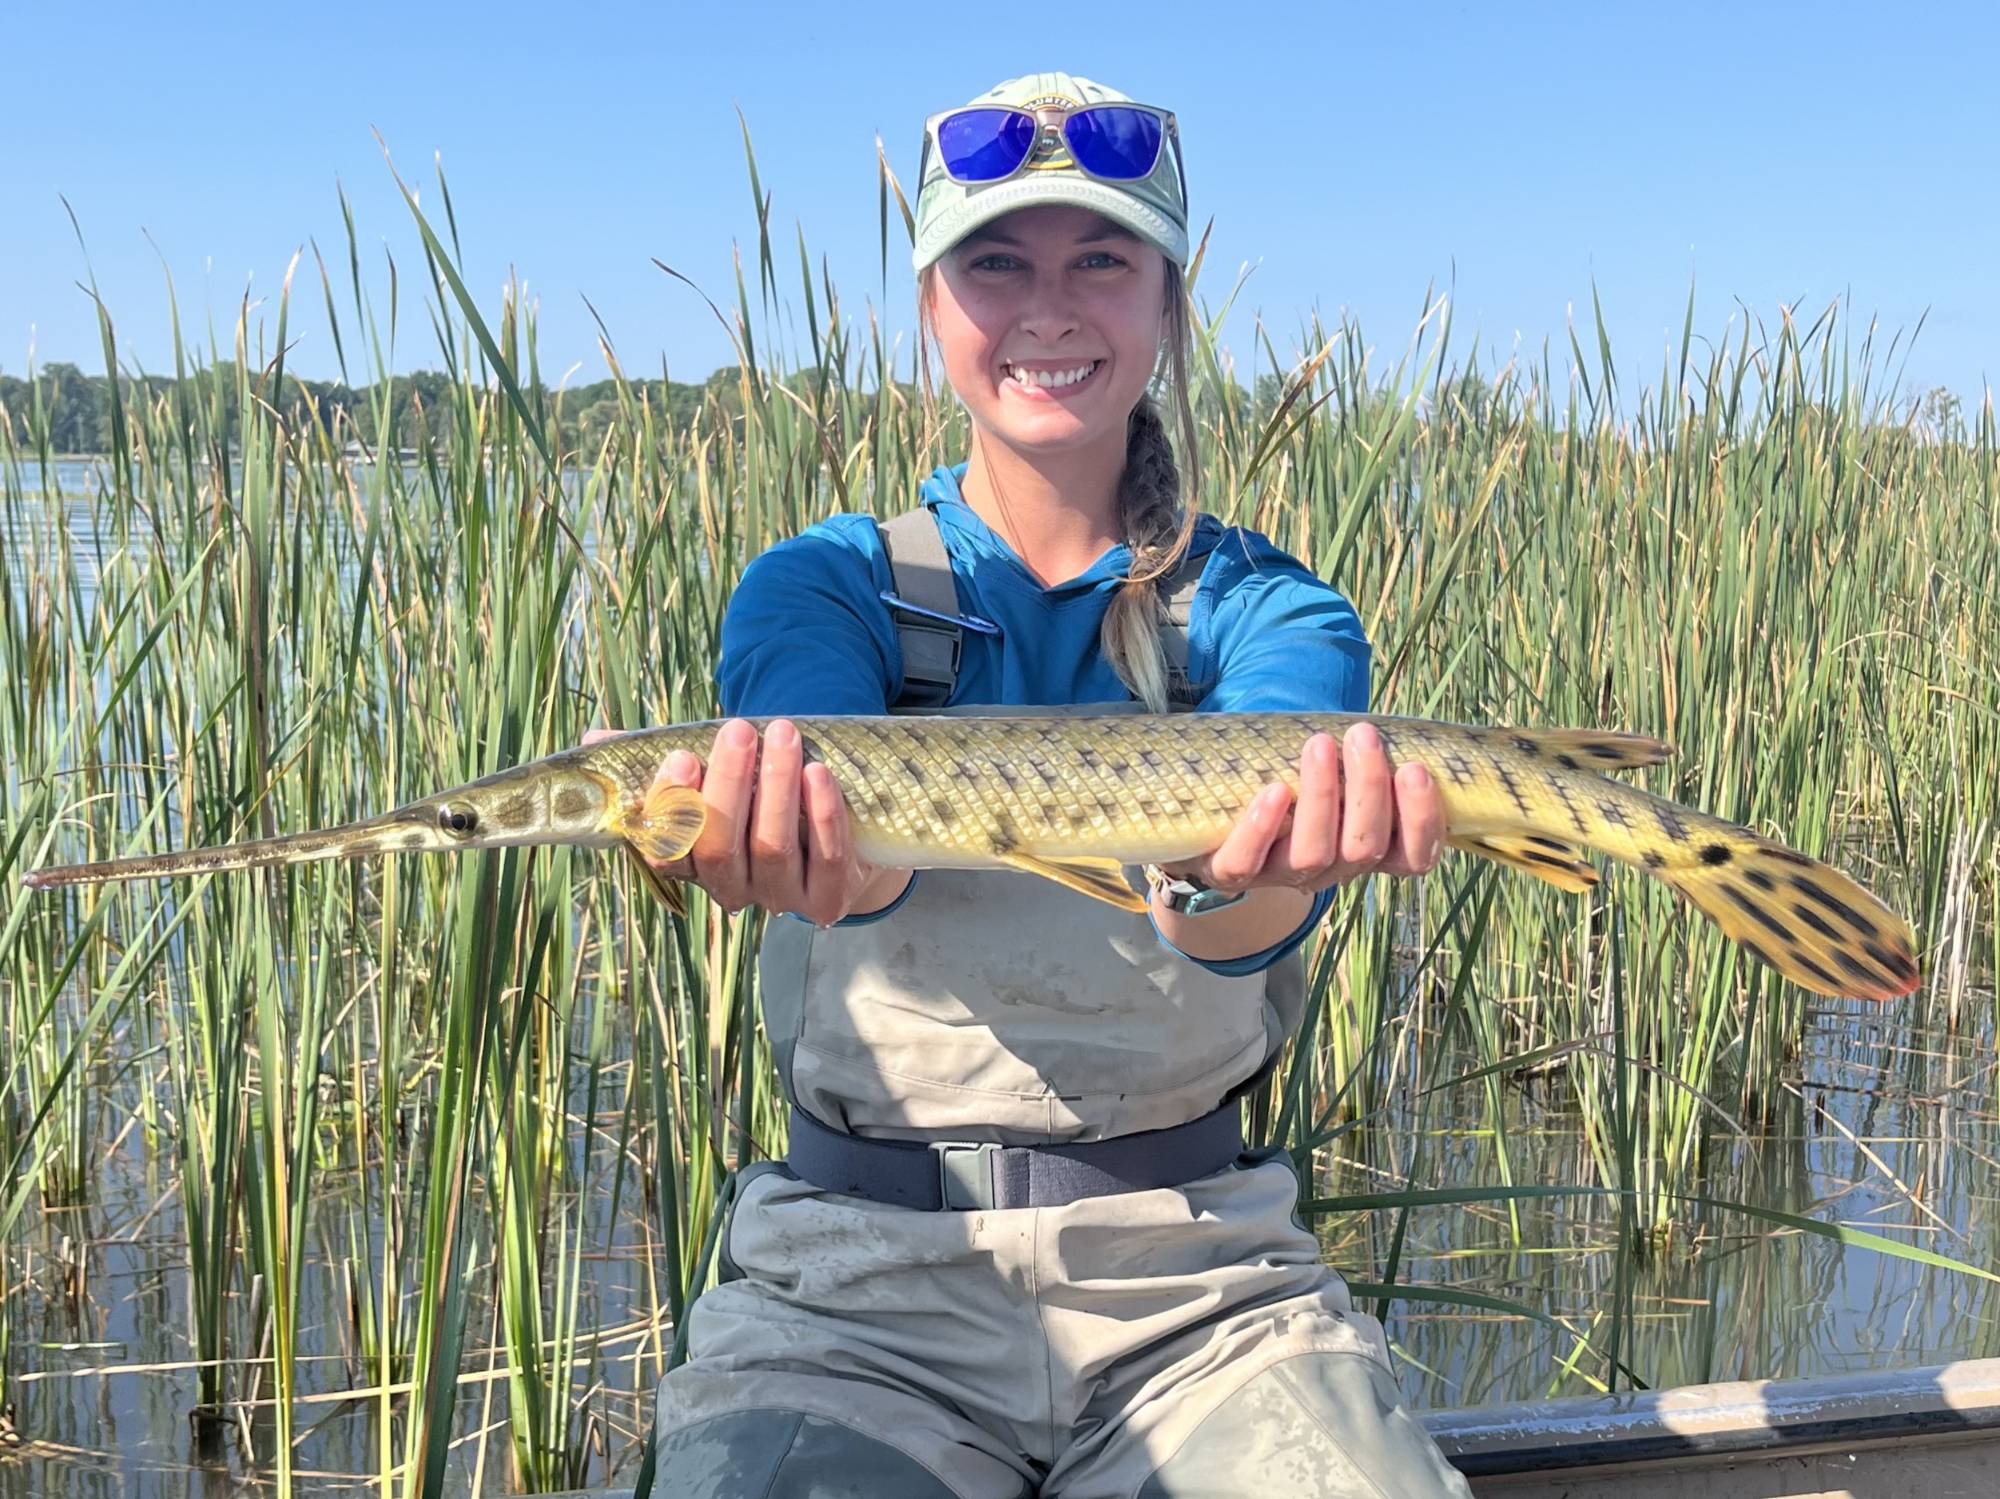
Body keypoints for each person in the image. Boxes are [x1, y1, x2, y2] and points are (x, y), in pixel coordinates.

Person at [620, 70, 1473, 1499]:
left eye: (1101, 262)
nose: (1048, 308)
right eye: (995, 264)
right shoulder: (826, 584)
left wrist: (1257, 874)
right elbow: (844, 820)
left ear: (1167, 305)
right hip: (853, 1294)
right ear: (932, 307)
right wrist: (812, 855)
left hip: (1202, 1289)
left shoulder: (1272, 610)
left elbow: (1227, 912)